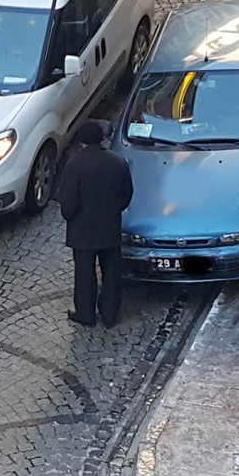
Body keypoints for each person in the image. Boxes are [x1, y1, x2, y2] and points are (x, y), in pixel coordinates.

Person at [57, 121, 133, 327]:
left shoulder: (75, 166)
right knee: (111, 273)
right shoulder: (118, 162)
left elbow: (68, 204)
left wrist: (72, 217)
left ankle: (85, 313)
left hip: (82, 232)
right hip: (109, 228)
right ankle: (109, 314)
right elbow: (126, 195)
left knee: (84, 275)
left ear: (82, 141)